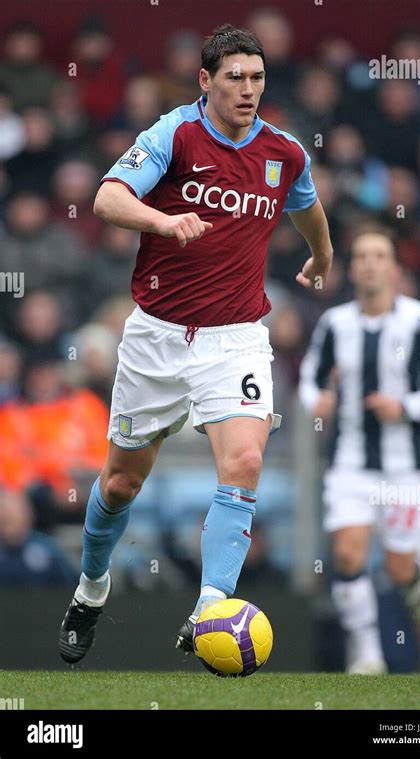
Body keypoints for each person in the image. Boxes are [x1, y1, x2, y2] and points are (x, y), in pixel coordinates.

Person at [58, 24, 333, 665]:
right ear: (205, 81)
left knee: (243, 463)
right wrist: (162, 218)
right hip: (156, 336)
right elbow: (105, 197)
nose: (247, 90)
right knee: (122, 483)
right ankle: (92, 588)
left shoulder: (285, 152)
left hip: (235, 337)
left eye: (257, 78)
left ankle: (211, 608)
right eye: (234, 78)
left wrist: (322, 255)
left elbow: (307, 203)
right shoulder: (174, 134)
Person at [299, 224, 420, 673]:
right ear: (351, 268)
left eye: (379, 255)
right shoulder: (335, 324)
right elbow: (310, 376)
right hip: (350, 462)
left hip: (407, 467)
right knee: (348, 555)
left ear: (394, 268)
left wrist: (408, 405)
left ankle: (414, 583)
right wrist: (317, 399)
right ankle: (368, 656)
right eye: (361, 256)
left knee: (399, 569)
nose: (369, 264)